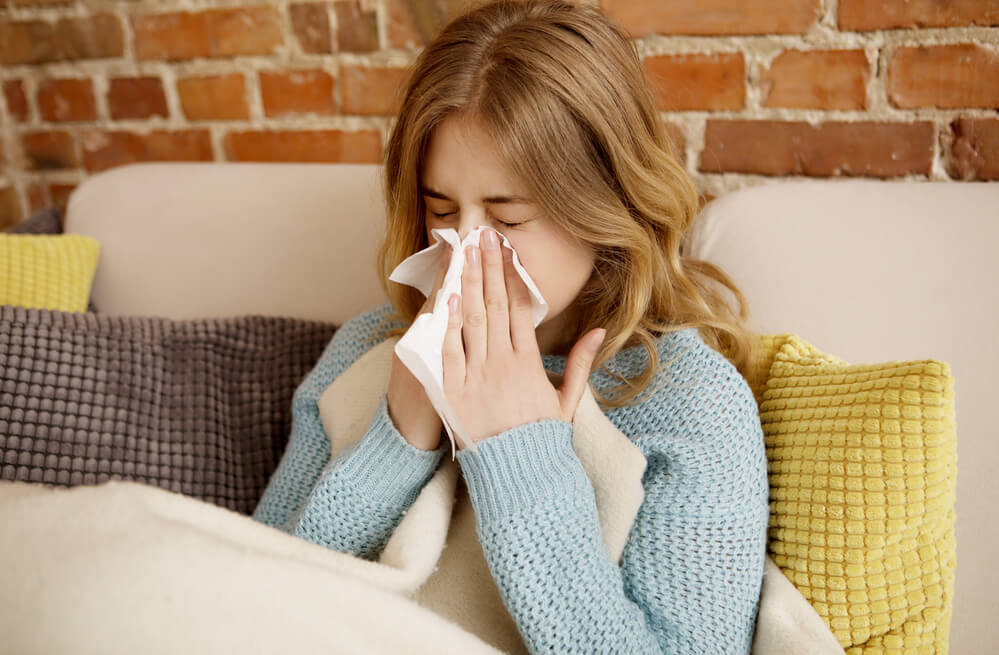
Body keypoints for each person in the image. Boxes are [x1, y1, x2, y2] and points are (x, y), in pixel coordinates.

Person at [252, 0, 769, 652]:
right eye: (441, 208)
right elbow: (248, 601)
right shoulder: (365, 350)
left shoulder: (690, 403)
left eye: (507, 217)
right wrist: (396, 440)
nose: (465, 247)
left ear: (604, 205)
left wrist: (518, 459)